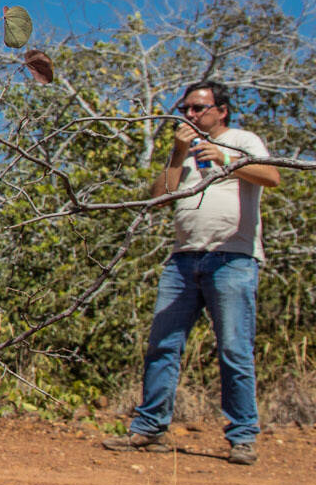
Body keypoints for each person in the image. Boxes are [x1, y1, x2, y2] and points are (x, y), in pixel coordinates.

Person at [104, 81, 279, 464]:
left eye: (198, 108)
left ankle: (243, 436)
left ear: (222, 110)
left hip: (233, 257)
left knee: (234, 348)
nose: (190, 115)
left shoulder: (243, 140)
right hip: (183, 258)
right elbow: (158, 196)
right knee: (163, 345)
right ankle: (149, 429)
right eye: (185, 109)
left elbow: (272, 177)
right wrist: (177, 151)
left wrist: (228, 160)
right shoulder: (182, 151)